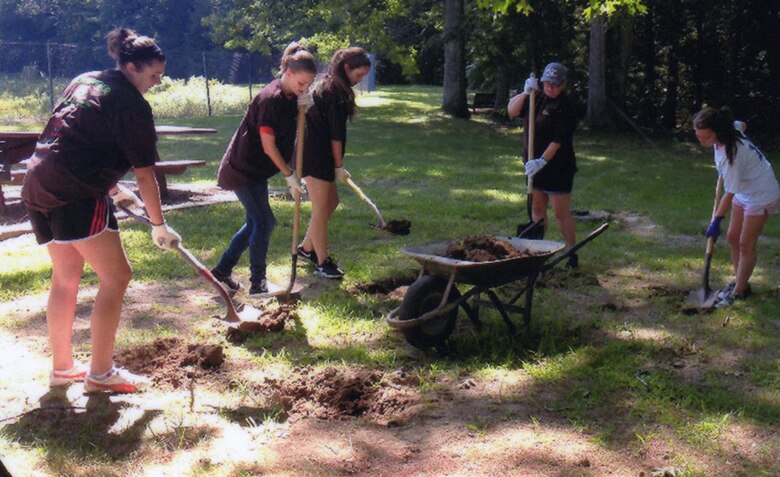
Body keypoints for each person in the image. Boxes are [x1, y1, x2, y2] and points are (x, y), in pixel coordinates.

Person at [21, 27, 181, 393]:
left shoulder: (85, 80)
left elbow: (75, 136)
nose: (157, 82)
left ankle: (63, 369)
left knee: (65, 277)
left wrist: (114, 189)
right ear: (130, 66)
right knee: (117, 277)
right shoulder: (133, 105)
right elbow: (146, 174)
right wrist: (159, 224)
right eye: (153, 75)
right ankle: (101, 373)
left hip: (38, 182)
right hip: (76, 192)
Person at [212, 42, 316, 295]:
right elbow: (269, 146)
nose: (305, 88)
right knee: (265, 221)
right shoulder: (270, 99)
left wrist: (304, 107)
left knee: (254, 223)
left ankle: (221, 271)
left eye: (308, 84)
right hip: (242, 169)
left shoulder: (292, 96)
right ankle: (257, 283)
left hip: (256, 170)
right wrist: (289, 176)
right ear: (288, 73)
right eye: (302, 83)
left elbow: (291, 135)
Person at [693, 107, 780, 307]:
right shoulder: (730, 129)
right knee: (732, 236)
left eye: (705, 137)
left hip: (761, 194)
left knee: (745, 243)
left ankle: (738, 292)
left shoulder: (732, 155)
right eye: (698, 135)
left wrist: (716, 220)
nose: (701, 140)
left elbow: (728, 194)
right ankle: (741, 282)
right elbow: (741, 125)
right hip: (744, 189)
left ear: (718, 132)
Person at [297, 47, 371, 279]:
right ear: (346, 68)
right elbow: (335, 136)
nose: (359, 81)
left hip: (318, 152)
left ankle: (306, 248)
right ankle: (322, 261)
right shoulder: (333, 92)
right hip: (313, 153)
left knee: (332, 202)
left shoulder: (332, 85)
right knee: (321, 208)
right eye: (358, 75)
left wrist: (336, 164)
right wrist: (338, 166)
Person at [507, 62, 579, 268]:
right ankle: (536, 252)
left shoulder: (566, 108)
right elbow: (511, 111)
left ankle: (571, 253)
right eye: (548, 84)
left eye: (556, 85)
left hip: (558, 168)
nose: (551, 88)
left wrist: (542, 161)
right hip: (533, 166)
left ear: (563, 84)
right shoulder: (535, 98)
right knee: (537, 211)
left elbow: (558, 141)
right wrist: (525, 92)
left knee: (559, 212)